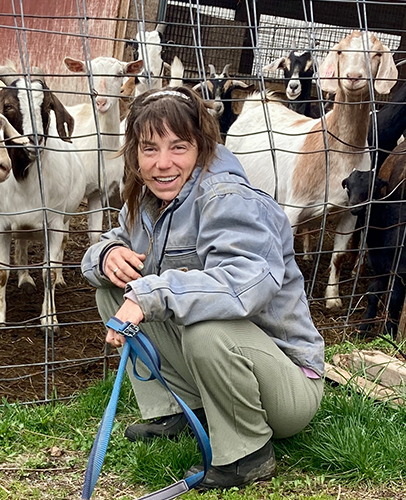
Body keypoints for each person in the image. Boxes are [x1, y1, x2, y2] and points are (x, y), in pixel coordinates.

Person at [81, 86, 325, 490]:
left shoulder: (228, 196)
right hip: (229, 367)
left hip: (285, 384)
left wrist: (152, 295)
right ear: (134, 153)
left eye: (178, 147)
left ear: (203, 147)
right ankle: (176, 410)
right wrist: (106, 255)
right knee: (114, 287)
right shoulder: (144, 200)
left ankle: (247, 454)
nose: (162, 164)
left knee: (204, 325)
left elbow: (246, 284)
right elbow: (108, 249)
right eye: (149, 149)